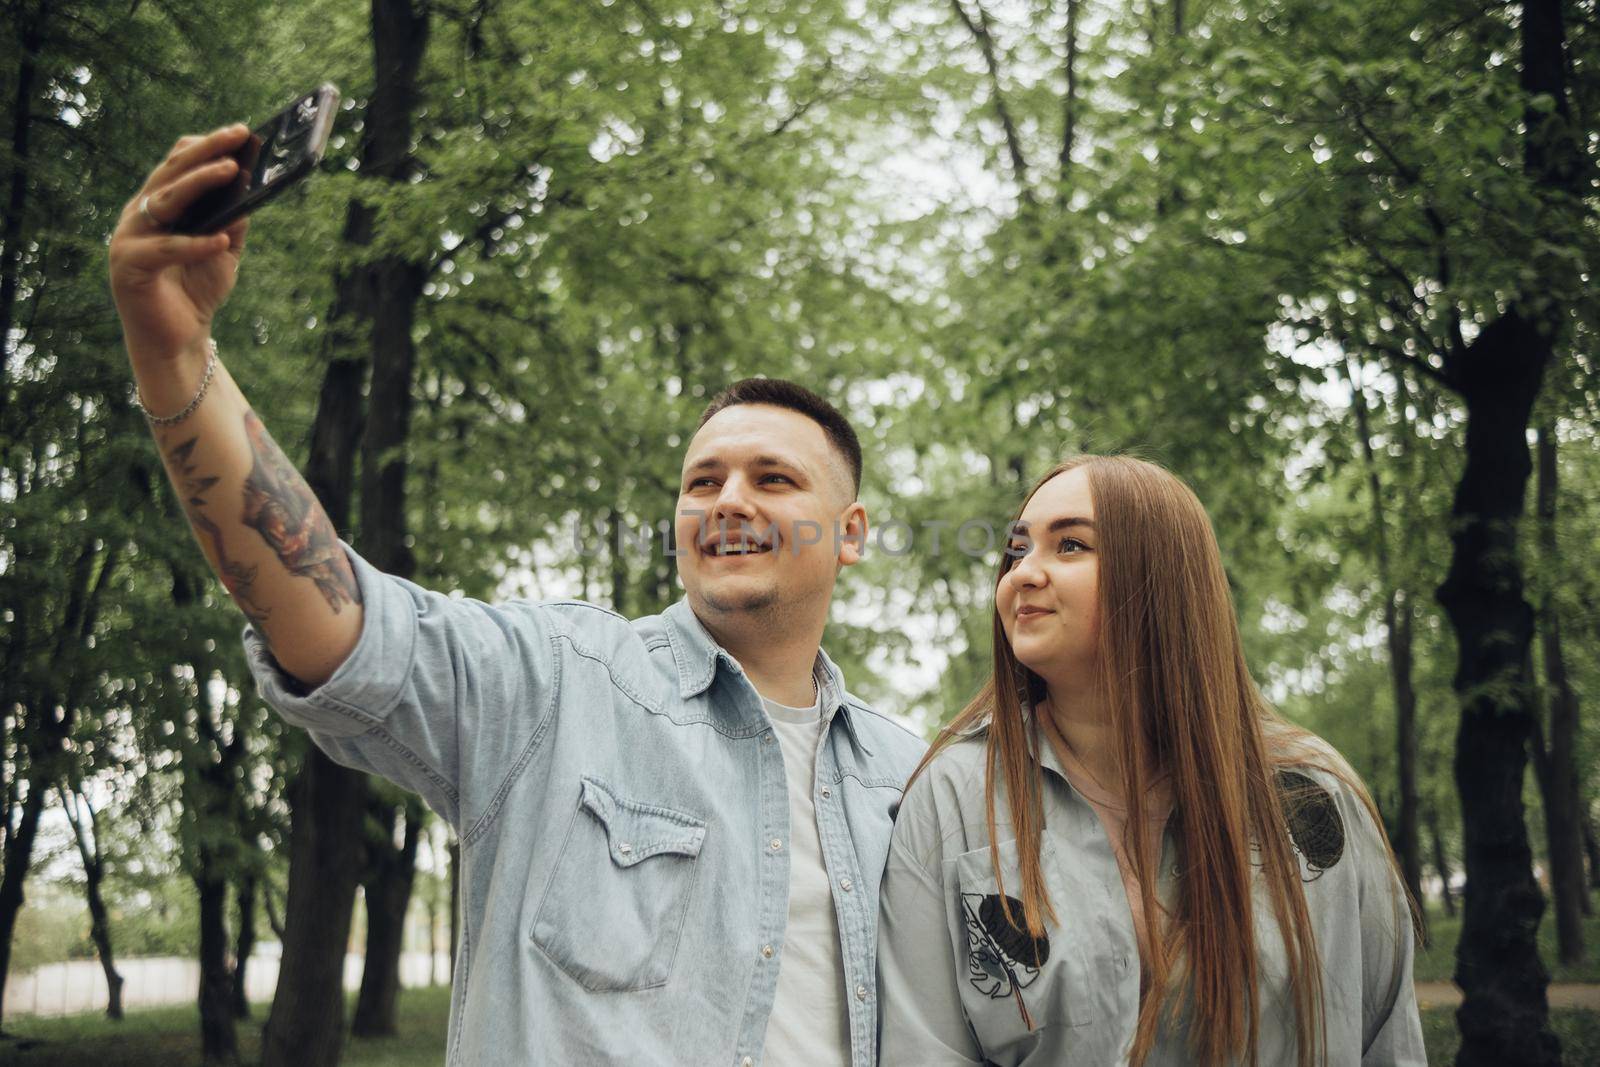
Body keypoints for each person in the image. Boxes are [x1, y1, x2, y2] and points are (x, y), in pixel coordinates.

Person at [109, 123, 925, 1065]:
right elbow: (330, 618)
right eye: (703, 481)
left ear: (851, 533)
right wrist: (174, 354)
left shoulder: (906, 780)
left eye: (773, 480)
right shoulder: (550, 684)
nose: (727, 500)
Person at [876, 455, 1425, 1066]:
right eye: (1017, 550)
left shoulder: (1307, 795)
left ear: (1160, 577)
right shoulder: (954, 796)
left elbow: (1386, 1037)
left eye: (1071, 545)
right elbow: (922, 1048)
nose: (1022, 574)